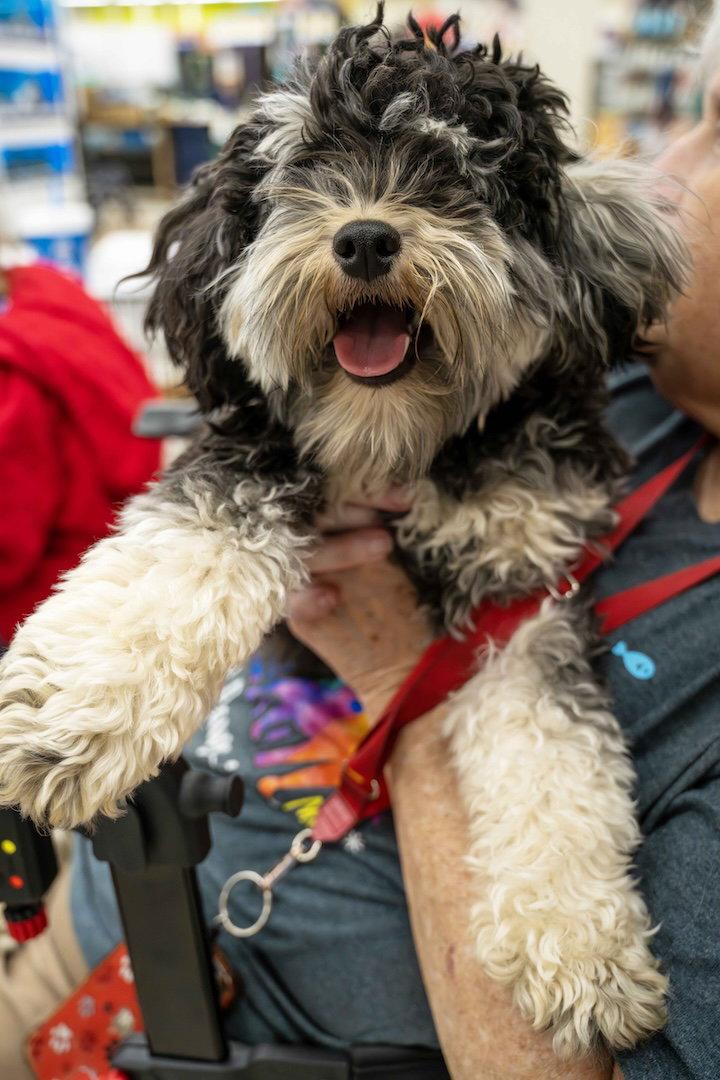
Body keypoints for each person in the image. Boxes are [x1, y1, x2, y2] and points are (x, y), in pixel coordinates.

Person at [3, 18, 720, 1080]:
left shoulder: (554, 413)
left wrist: (397, 665)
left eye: (715, 130)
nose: (368, 230)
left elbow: (522, 653)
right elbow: (226, 484)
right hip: (94, 943)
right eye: (321, 187)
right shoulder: (643, 399)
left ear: (549, 259)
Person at [0, 262, 161, 645]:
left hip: (32, 619)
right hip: (105, 580)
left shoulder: (11, 370)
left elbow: (9, 540)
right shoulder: (62, 309)